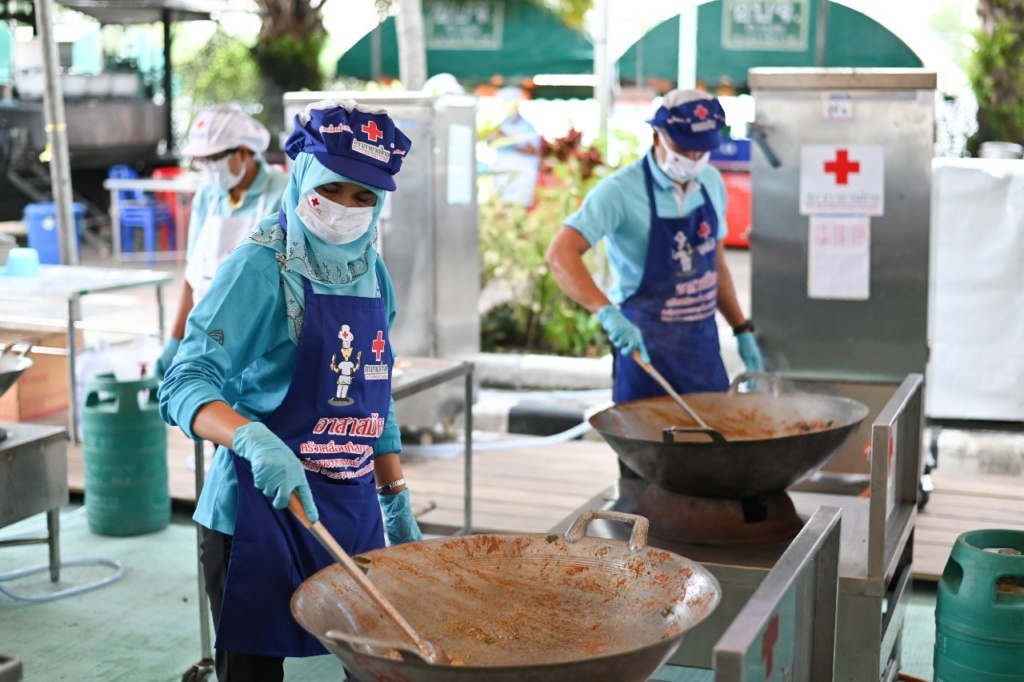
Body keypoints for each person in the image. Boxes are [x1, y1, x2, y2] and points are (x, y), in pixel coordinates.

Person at [158, 99, 421, 681]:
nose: (346, 207)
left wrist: (394, 496)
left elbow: (376, 395)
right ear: (302, 176)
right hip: (260, 514)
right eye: (333, 188)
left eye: (364, 196)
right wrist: (252, 440)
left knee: (377, 666)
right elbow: (184, 381)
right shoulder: (259, 265)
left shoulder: (372, 272)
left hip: (350, 509)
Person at [545, 89, 764, 408]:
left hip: (702, 351)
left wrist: (741, 329)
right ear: (657, 136)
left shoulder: (712, 182)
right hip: (645, 354)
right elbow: (560, 255)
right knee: (646, 439)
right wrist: (606, 313)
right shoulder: (619, 192)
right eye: (684, 147)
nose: (693, 158)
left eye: (702, 149)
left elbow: (716, 265)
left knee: (714, 437)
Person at [155, 105, 289, 378]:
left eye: (213, 159)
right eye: (201, 161)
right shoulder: (208, 197)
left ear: (243, 152)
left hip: (260, 339)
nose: (207, 168)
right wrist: (175, 340)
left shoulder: (282, 193)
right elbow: (193, 275)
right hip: (208, 330)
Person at [488, 86, 542, 207]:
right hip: (503, 173)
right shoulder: (497, 126)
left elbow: (533, 150)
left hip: (523, 174)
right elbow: (489, 141)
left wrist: (509, 141)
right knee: (503, 206)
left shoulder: (527, 127)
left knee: (520, 206)